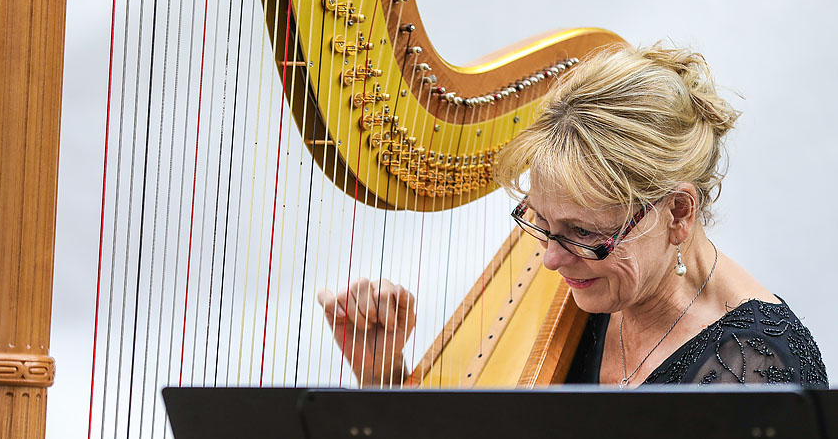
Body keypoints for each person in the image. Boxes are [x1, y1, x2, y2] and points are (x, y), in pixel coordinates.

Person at [317, 42, 829, 389]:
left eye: (583, 233)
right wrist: (384, 375)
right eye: (540, 222)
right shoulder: (600, 288)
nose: (549, 261)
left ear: (677, 211)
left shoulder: (762, 371)